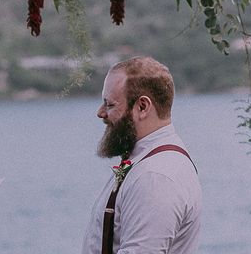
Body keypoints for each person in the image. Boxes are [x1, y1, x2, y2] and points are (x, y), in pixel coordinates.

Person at [81, 56, 202, 254]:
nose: (100, 113)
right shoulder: (148, 163)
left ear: (142, 107)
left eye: (110, 105)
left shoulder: (155, 177)